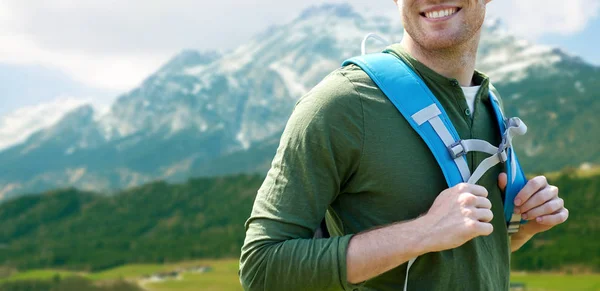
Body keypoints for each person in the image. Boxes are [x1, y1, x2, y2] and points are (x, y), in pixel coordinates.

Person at [239, 0, 569, 290]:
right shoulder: (344, 103)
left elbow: (453, 258)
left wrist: (521, 229)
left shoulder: (488, 102)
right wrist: (422, 232)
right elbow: (261, 267)